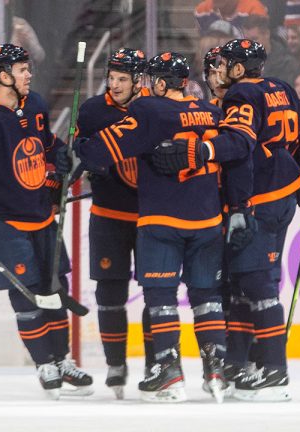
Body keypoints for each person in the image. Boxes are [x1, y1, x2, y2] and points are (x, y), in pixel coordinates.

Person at [150, 39, 300, 401]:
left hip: (258, 199)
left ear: (238, 69)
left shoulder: (240, 97)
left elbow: (238, 145)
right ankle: (243, 363)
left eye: (223, 65)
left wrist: (199, 152)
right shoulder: (279, 88)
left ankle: (273, 370)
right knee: (245, 284)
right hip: (280, 194)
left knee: (256, 285)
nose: (217, 72)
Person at [73, 52, 229, 403]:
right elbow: (235, 149)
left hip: (163, 218)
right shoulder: (211, 111)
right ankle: (216, 370)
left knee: (160, 297)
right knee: (207, 297)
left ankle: (169, 371)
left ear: (158, 82)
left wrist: (81, 149)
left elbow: (105, 149)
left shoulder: (149, 110)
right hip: (207, 220)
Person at [0, 44, 93, 400]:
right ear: (3, 76)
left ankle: (63, 360)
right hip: (4, 222)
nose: (29, 75)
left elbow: (46, 143)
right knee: (27, 296)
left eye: (28, 69)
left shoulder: (35, 106)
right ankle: (44, 364)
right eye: (22, 70)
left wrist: (65, 157)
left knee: (55, 291)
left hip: (42, 215)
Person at [73, 48, 152, 399]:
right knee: (109, 294)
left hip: (152, 216)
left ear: (139, 80)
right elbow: (81, 144)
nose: (115, 84)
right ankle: (115, 364)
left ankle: (157, 365)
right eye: (112, 77)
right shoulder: (93, 110)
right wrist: (84, 157)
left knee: (157, 294)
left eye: (123, 79)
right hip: (108, 215)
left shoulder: (155, 106)